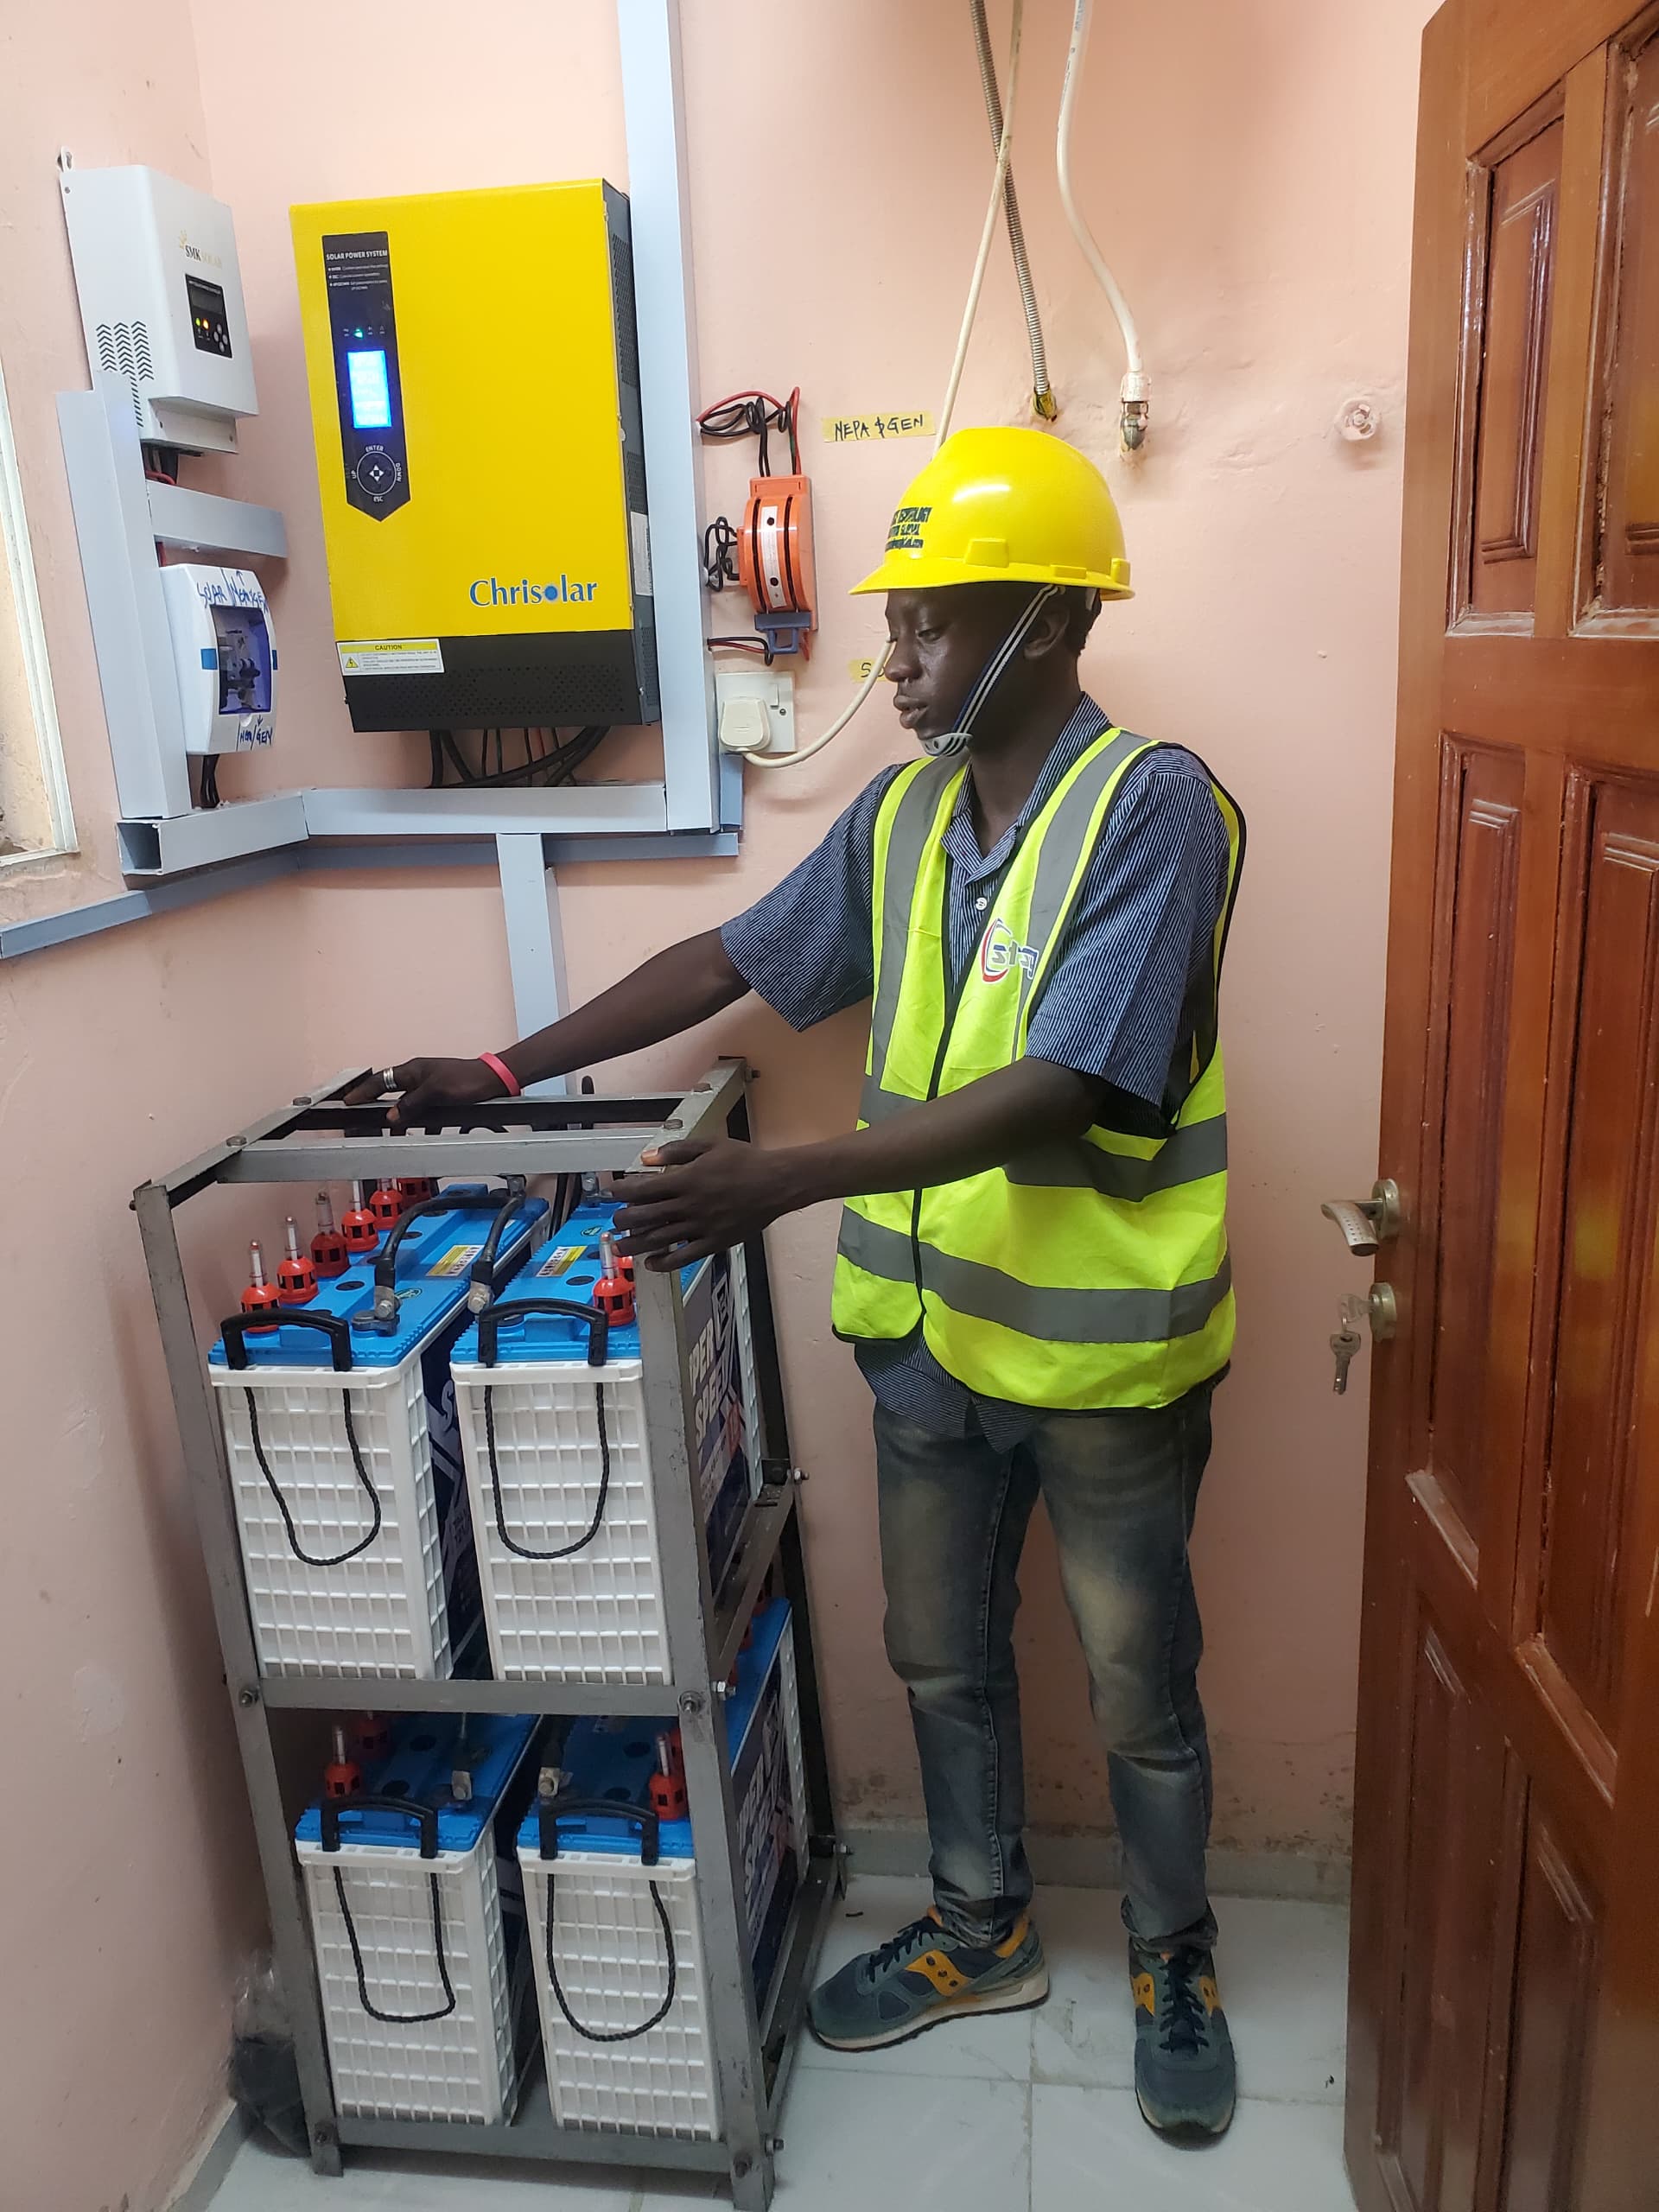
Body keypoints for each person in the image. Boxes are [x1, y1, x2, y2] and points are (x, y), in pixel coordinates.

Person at [346, 426, 1244, 2140]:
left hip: (1108, 1365)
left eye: (930, 626)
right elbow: (738, 958)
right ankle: (980, 1927)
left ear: (1050, 626)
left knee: (1141, 1683)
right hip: (927, 1346)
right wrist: (502, 1057)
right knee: (939, 1654)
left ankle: (1172, 1950)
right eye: (894, 623)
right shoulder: (904, 817)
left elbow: (1071, 1079)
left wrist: (786, 1179)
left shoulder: (1155, 808)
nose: (893, 660)